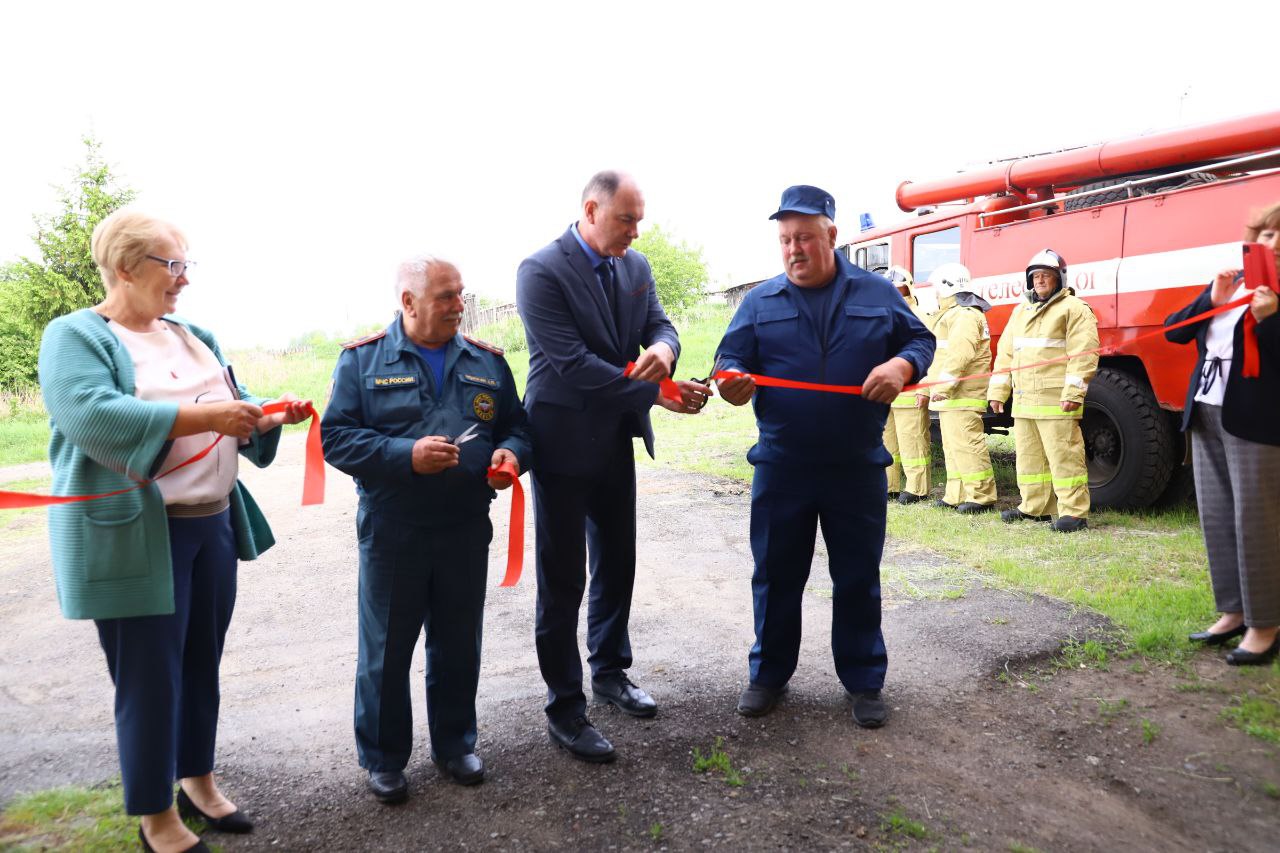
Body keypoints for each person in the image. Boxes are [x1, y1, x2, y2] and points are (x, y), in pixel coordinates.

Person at [37, 210, 311, 853]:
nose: (184, 279)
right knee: (149, 680)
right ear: (126, 268)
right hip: (138, 537)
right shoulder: (74, 337)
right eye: (173, 265)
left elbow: (228, 406)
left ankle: (198, 781)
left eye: (187, 265)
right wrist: (209, 413)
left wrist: (261, 417)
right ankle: (156, 817)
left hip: (212, 526)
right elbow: (93, 415)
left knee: (199, 668)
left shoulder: (194, 334)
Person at [715, 185, 934, 728]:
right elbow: (729, 360)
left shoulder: (876, 293)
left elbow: (920, 341)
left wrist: (900, 368)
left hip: (855, 467)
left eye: (805, 238)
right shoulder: (760, 301)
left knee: (857, 576)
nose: (794, 249)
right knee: (775, 575)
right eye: (786, 239)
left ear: (832, 237)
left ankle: (863, 680)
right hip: (781, 466)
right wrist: (730, 384)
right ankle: (768, 675)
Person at [321, 256, 532, 802]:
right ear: (409, 302)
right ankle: (385, 757)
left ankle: (456, 743)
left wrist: (510, 454)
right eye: (445, 297)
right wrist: (404, 454)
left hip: (465, 524)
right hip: (396, 529)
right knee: (387, 649)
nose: (459, 307)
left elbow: (516, 426)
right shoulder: (363, 362)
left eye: (460, 295)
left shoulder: (486, 361)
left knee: (459, 642)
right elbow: (336, 439)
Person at [516, 171, 710, 763]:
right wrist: (657, 392)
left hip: (614, 440)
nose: (635, 229)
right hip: (560, 441)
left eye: (639, 219)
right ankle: (566, 709)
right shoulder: (540, 271)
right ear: (591, 209)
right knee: (563, 579)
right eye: (627, 219)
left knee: (617, 563)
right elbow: (572, 365)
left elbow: (661, 324)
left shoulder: (636, 267)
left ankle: (610, 673)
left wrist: (664, 352)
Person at [1164, 204, 1280, 665]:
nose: (1270, 242)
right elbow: (1174, 332)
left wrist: (1270, 320)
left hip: (1257, 421)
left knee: (1256, 524)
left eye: (1279, 236)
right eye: (1266, 234)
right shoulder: (1236, 285)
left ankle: (1265, 624)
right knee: (1216, 519)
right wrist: (1212, 298)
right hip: (1208, 412)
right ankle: (1232, 611)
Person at [988, 249, 1099, 533]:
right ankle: (1034, 508)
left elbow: (1083, 355)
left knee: (1064, 457)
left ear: (1059, 279)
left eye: (1046, 276)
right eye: (1035, 276)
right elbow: (1006, 353)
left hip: (1055, 400)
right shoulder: (1020, 310)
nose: (1040, 281)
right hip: (1025, 401)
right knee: (1028, 458)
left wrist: (1073, 394)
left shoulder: (1074, 308)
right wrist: (998, 392)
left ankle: (1074, 513)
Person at [918, 263, 996, 514]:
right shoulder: (953, 314)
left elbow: (960, 354)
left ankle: (981, 496)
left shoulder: (964, 315)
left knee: (967, 445)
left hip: (961, 393)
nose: (936, 294)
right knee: (953, 447)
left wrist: (944, 385)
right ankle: (956, 494)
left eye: (937, 289)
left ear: (947, 286)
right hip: (952, 395)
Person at [882, 266, 934, 504]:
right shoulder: (880, 316)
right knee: (885, 442)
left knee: (913, 441)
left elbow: (928, 354)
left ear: (909, 288)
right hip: (885, 394)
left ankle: (917, 489)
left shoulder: (919, 315)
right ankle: (888, 485)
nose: (896, 293)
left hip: (910, 392)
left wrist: (924, 389)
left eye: (900, 288)